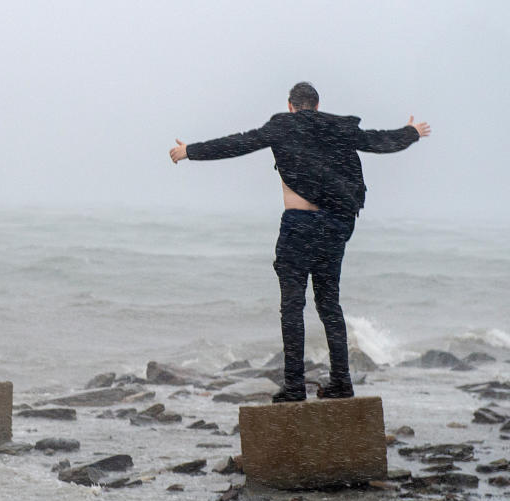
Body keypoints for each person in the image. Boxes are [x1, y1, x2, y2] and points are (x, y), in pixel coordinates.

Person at [169, 82, 430, 402]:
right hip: (335, 226)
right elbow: (379, 141)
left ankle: (294, 385)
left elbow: (239, 143)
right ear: (317, 106)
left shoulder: (282, 125)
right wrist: (411, 131)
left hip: (299, 225)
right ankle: (341, 382)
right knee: (329, 305)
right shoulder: (338, 128)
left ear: (291, 106)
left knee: (293, 305)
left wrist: (189, 151)